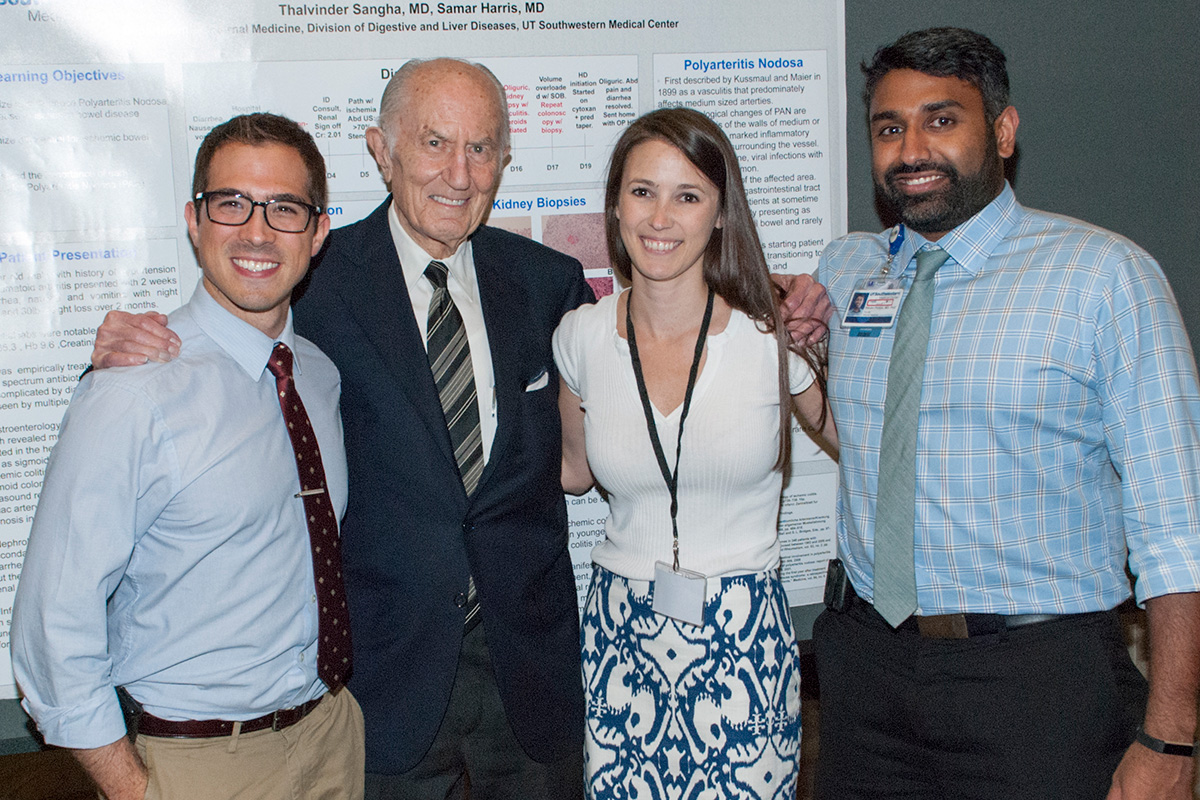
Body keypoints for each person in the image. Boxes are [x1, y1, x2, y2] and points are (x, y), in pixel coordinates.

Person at [89, 59, 833, 798]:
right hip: (387, 681)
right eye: (435, 142)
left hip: (534, 678)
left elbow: (663, 322)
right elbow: (232, 342)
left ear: (504, 161)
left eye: (481, 148)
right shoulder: (314, 278)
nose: (459, 172)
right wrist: (135, 346)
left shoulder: (549, 287)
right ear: (382, 151)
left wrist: (778, 296)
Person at [814, 27, 1200, 800]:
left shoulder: (1104, 278)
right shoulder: (847, 269)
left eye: (941, 119)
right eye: (890, 128)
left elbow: (1178, 530)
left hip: (1035, 684)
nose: (911, 148)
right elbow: (858, 438)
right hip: (863, 677)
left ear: (1003, 130)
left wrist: (1171, 740)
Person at [12, 113, 365, 800]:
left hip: (330, 738)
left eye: (284, 209)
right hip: (197, 762)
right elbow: (53, 620)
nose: (257, 232)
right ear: (194, 220)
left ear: (318, 232)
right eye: (231, 203)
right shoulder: (132, 391)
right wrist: (131, 788)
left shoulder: (318, 374)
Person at [554, 108, 836, 799]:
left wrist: (825, 352)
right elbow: (572, 472)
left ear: (719, 214)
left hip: (744, 636)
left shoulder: (770, 335)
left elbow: (854, 446)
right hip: (621, 635)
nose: (660, 218)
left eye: (688, 196)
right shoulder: (579, 338)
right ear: (615, 206)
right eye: (642, 191)